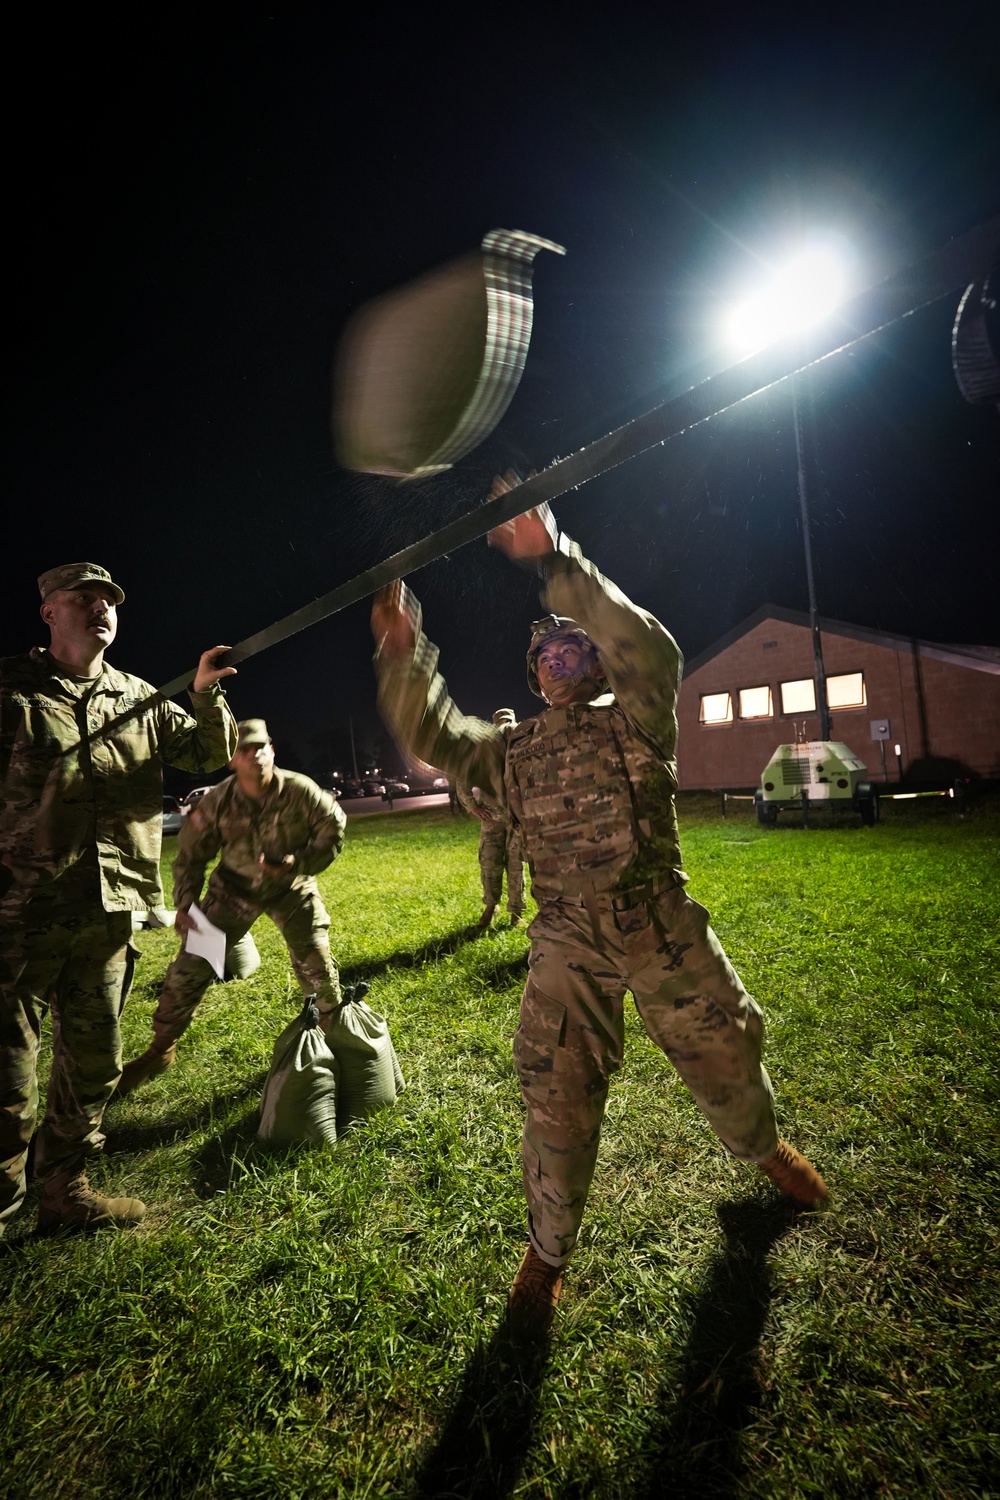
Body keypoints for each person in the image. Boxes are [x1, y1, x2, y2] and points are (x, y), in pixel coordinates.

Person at [372, 473, 828, 1335]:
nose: (561, 654)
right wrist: (404, 655)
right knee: (556, 1098)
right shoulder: (510, 750)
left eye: (575, 644)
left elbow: (648, 647)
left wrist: (557, 561)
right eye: (545, 650)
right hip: (566, 946)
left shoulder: (642, 714)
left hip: (659, 925)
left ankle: (765, 1151)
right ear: (534, 676)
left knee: (727, 1055)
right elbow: (434, 735)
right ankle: (545, 1254)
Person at [0, 561, 238, 1236]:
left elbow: (205, 753)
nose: (100, 608)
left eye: (109, 601)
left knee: (95, 1064)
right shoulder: (11, 688)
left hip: (108, 914)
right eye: (84, 598)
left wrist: (204, 694)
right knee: (7, 1080)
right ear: (50, 610)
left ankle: (64, 1188)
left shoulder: (137, 697)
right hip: (20, 914)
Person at [117, 718, 348, 1095]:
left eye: (261, 746)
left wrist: (298, 862)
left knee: (317, 964)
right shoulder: (217, 802)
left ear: (272, 750)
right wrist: (188, 906)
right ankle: (161, 1049)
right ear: (231, 760)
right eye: (245, 749)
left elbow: (333, 825)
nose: (255, 755)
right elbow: (190, 856)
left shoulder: (299, 790)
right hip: (234, 892)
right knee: (190, 967)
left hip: (291, 887)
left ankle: (334, 1041)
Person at [457, 709, 526, 928]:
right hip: (492, 817)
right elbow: (462, 776)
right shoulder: (483, 750)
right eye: (501, 725)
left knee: (516, 865)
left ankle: (516, 911)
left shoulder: (523, 746)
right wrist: (472, 806)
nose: (505, 729)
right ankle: (491, 905)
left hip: (518, 818)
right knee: (489, 863)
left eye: (508, 724)